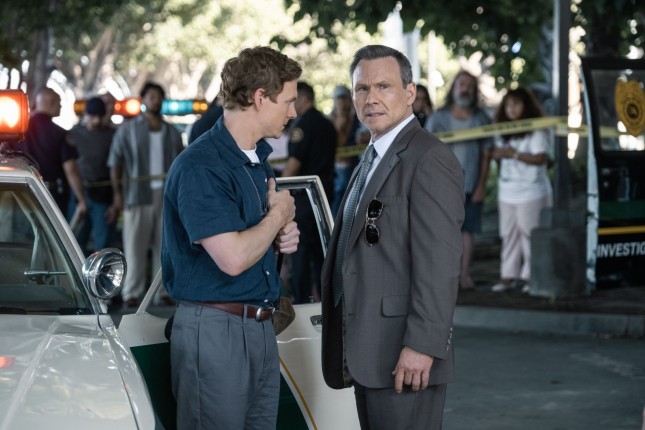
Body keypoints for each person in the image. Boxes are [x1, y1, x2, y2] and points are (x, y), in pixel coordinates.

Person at [321, 44, 464, 430]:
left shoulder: (428, 158)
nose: (371, 98)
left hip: (406, 354)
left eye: (383, 86)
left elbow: (440, 265)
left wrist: (422, 345)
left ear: (410, 92)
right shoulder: (371, 156)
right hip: (368, 352)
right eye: (362, 89)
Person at [162, 46, 301, 429]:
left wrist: (279, 235)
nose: (293, 112)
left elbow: (254, 240)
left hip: (257, 326)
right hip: (216, 331)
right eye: (288, 101)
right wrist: (277, 218)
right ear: (260, 97)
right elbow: (233, 258)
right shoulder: (202, 166)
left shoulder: (255, 160)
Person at [107, 82, 183, 307]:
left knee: (165, 246)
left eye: (159, 97)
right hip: (136, 194)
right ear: (143, 100)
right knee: (134, 246)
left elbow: (181, 164)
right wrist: (118, 194)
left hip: (166, 196)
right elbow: (115, 162)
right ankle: (131, 293)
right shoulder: (128, 130)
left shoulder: (172, 132)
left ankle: (162, 292)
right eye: (151, 96)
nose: (155, 100)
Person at [426, 70, 492, 291]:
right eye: (461, 84)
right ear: (453, 88)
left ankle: (463, 276)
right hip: (442, 185)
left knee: (468, 231)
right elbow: (425, 151)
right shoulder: (438, 118)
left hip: (471, 184)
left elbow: (487, 153)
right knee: (442, 232)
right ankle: (444, 278)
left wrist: (482, 184)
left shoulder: (481, 118)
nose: (465, 89)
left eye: (470, 86)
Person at [490, 87, 553, 293]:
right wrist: (498, 155)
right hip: (507, 191)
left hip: (532, 191)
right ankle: (508, 277)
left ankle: (530, 277)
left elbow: (541, 157)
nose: (511, 109)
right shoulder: (502, 129)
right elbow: (496, 153)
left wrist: (513, 154)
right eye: (508, 104)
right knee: (508, 235)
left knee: (530, 235)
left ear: (526, 106)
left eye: (516, 104)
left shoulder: (536, 129)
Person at [282, 81, 337, 303]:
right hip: (324, 196)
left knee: (301, 253)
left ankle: (302, 300)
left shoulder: (303, 126)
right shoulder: (327, 124)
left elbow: (294, 164)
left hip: (304, 198)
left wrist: (278, 188)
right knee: (322, 251)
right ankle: (328, 302)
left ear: (303, 99)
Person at [16, 87, 87, 217]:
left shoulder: (17, 132)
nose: (61, 106)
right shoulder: (59, 133)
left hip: (20, 195)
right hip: (52, 196)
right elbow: (70, 169)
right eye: (59, 102)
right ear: (51, 102)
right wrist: (81, 199)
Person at [67, 97, 117, 254]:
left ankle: (101, 269)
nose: (96, 121)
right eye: (93, 116)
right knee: (74, 240)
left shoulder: (111, 134)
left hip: (103, 193)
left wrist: (115, 201)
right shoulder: (74, 134)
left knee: (103, 242)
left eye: (100, 116)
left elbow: (117, 167)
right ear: (86, 114)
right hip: (78, 191)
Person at [329, 84, 362, 215]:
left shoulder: (357, 119)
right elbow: (331, 144)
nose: (342, 103)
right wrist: (338, 128)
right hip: (336, 168)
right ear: (335, 101)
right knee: (337, 200)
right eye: (339, 99)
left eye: (344, 99)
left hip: (354, 166)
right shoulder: (330, 120)